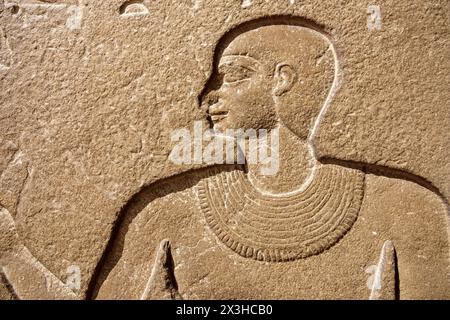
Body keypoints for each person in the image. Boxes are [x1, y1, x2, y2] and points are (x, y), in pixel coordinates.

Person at [1, 20, 449, 300]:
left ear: (283, 81)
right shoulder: (166, 215)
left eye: (234, 74)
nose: (209, 94)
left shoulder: (402, 208)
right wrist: (11, 252)